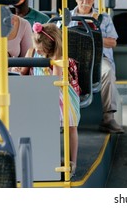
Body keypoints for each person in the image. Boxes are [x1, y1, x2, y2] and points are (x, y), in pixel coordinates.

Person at [15, 23, 80, 177]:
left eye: (40, 48)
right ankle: (45, 158)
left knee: (70, 126)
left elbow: (55, 81)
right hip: (40, 93)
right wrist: (16, 68)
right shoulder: (31, 52)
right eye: (35, 46)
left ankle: (73, 161)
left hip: (61, 93)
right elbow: (23, 71)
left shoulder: (58, 58)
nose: (37, 50)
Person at [71, 0, 123, 133]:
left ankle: (108, 118)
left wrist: (91, 38)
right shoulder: (68, 17)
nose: (86, 1)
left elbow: (112, 42)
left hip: (99, 59)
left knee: (107, 72)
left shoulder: (103, 18)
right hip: (74, 59)